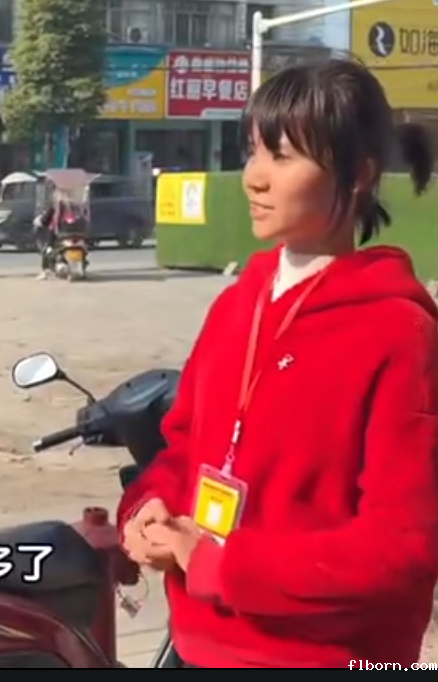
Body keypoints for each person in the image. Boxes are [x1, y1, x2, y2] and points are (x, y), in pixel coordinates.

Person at [118, 58, 438, 668]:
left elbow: (401, 547)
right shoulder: (237, 306)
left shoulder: (399, 333)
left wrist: (219, 563)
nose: (254, 178)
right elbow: (184, 449)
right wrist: (150, 505)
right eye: (253, 152)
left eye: (283, 156)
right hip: (196, 647)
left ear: (360, 175)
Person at [33, 189, 81, 279]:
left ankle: (45, 271)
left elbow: (46, 218)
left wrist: (41, 221)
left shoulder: (56, 205)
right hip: (78, 233)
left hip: (60, 233)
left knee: (47, 249)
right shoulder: (76, 204)